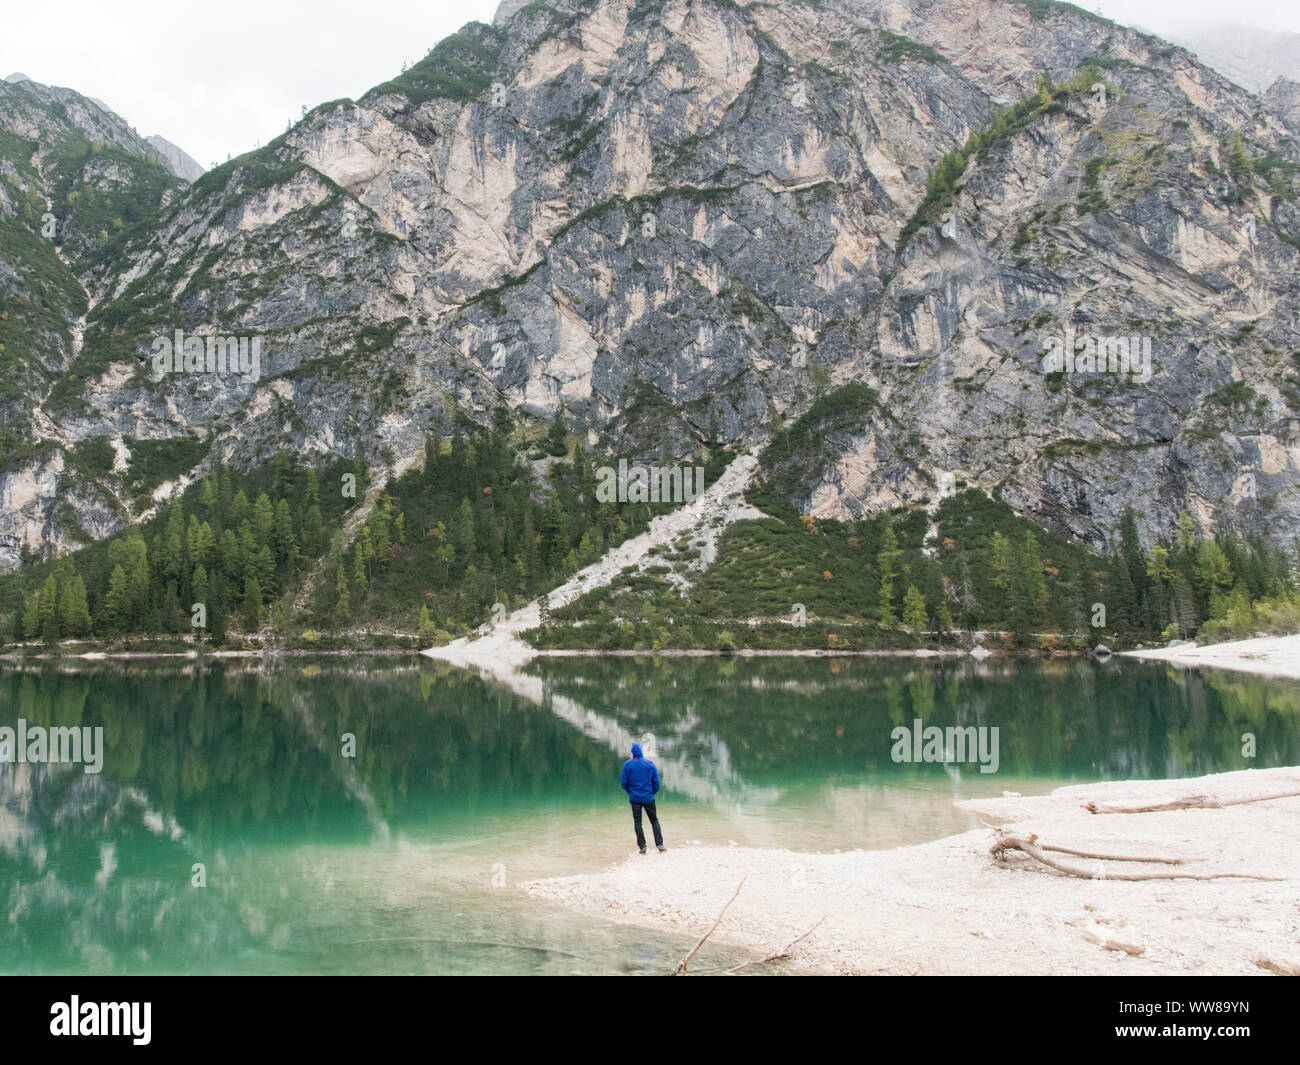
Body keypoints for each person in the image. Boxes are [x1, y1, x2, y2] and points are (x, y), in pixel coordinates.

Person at [620, 742, 665, 854]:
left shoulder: (627, 765)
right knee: (654, 820)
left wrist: (630, 792)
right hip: (648, 797)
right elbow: (657, 781)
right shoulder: (649, 764)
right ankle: (659, 845)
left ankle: (642, 847)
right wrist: (652, 792)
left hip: (635, 798)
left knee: (638, 822)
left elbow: (624, 782)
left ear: (632, 752)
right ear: (641, 751)